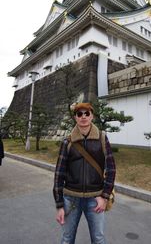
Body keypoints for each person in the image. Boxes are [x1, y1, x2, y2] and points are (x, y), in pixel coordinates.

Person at [53, 102, 116, 244]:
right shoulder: (67, 141)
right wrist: (59, 205)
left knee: (98, 239)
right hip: (71, 198)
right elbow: (59, 174)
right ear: (75, 117)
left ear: (92, 116)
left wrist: (104, 197)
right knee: (67, 239)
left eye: (87, 113)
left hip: (95, 198)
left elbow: (111, 169)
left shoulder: (101, 138)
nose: (83, 117)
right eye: (79, 114)